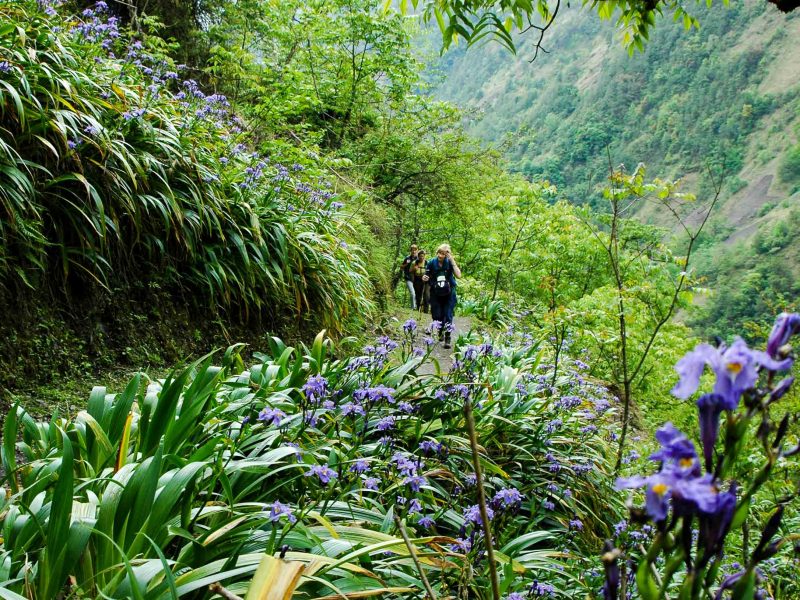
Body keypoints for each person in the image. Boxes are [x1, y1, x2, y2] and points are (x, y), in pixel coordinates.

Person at [423, 244, 461, 348]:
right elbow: (426, 275)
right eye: (439, 253)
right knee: (437, 314)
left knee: (448, 314)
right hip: (436, 292)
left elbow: (459, 275)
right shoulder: (431, 263)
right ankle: (440, 330)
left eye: (443, 254)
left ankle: (447, 337)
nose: (440, 255)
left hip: (449, 292)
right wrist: (425, 278)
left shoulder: (449, 263)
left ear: (447, 254)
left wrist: (452, 260)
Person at [400, 244, 419, 309]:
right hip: (408, 278)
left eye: (415, 250)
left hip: (417, 279)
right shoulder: (407, 258)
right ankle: (413, 308)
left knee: (417, 293)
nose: (413, 251)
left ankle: (417, 307)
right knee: (412, 293)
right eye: (412, 250)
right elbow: (401, 267)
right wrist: (406, 264)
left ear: (417, 250)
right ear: (410, 251)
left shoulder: (419, 259)